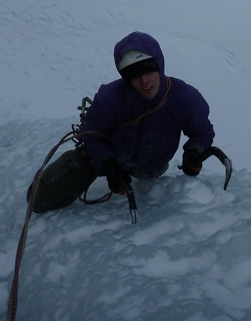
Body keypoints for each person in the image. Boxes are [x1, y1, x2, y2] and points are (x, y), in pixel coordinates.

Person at [28, 31, 215, 213]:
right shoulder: (110, 98)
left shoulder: (185, 98)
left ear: (159, 63)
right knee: (38, 200)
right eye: (134, 73)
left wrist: (194, 151)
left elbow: (202, 132)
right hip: (110, 158)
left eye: (148, 68)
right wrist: (107, 163)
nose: (144, 80)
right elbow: (92, 134)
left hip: (151, 169)